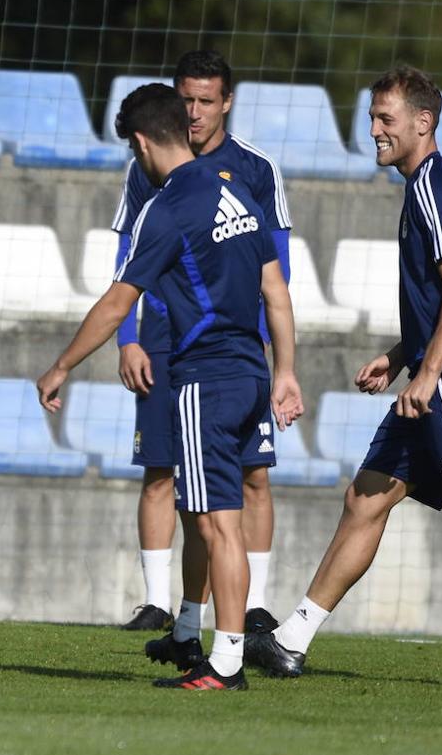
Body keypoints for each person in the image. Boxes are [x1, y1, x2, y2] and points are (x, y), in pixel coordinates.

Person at [38, 82, 303, 690]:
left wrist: (61, 367)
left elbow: (116, 303)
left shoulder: (168, 206)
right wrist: (285, 372)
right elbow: (276, 292)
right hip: (249, 373)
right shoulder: (237, 195)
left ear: (139, 142)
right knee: (204, 511)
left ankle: (226, 663)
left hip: (203, 380)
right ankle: (191, 634)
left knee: (215, 524)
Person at [247, 65, 442, 678]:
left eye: (386, 119)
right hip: (440, 370)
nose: (375, 130)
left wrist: (428, 372)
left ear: (423, 122)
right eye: (372, 118)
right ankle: (291, 641)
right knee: (364, 499)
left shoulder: (436, 185)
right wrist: (400, 354)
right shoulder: (428, 187)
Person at [113, 51, 293, 640]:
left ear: (227, 102)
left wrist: (277, 358)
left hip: (233, 349)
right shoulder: (147, 167)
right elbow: (126, 261)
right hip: (165, 338)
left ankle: (252, 610)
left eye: (206, 100)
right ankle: (161, 606)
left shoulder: (256, 169)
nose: (194, 111)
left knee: (252, 477)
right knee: (162, 469)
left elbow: (275, 271)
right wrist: (129, 338)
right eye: (185, 99)